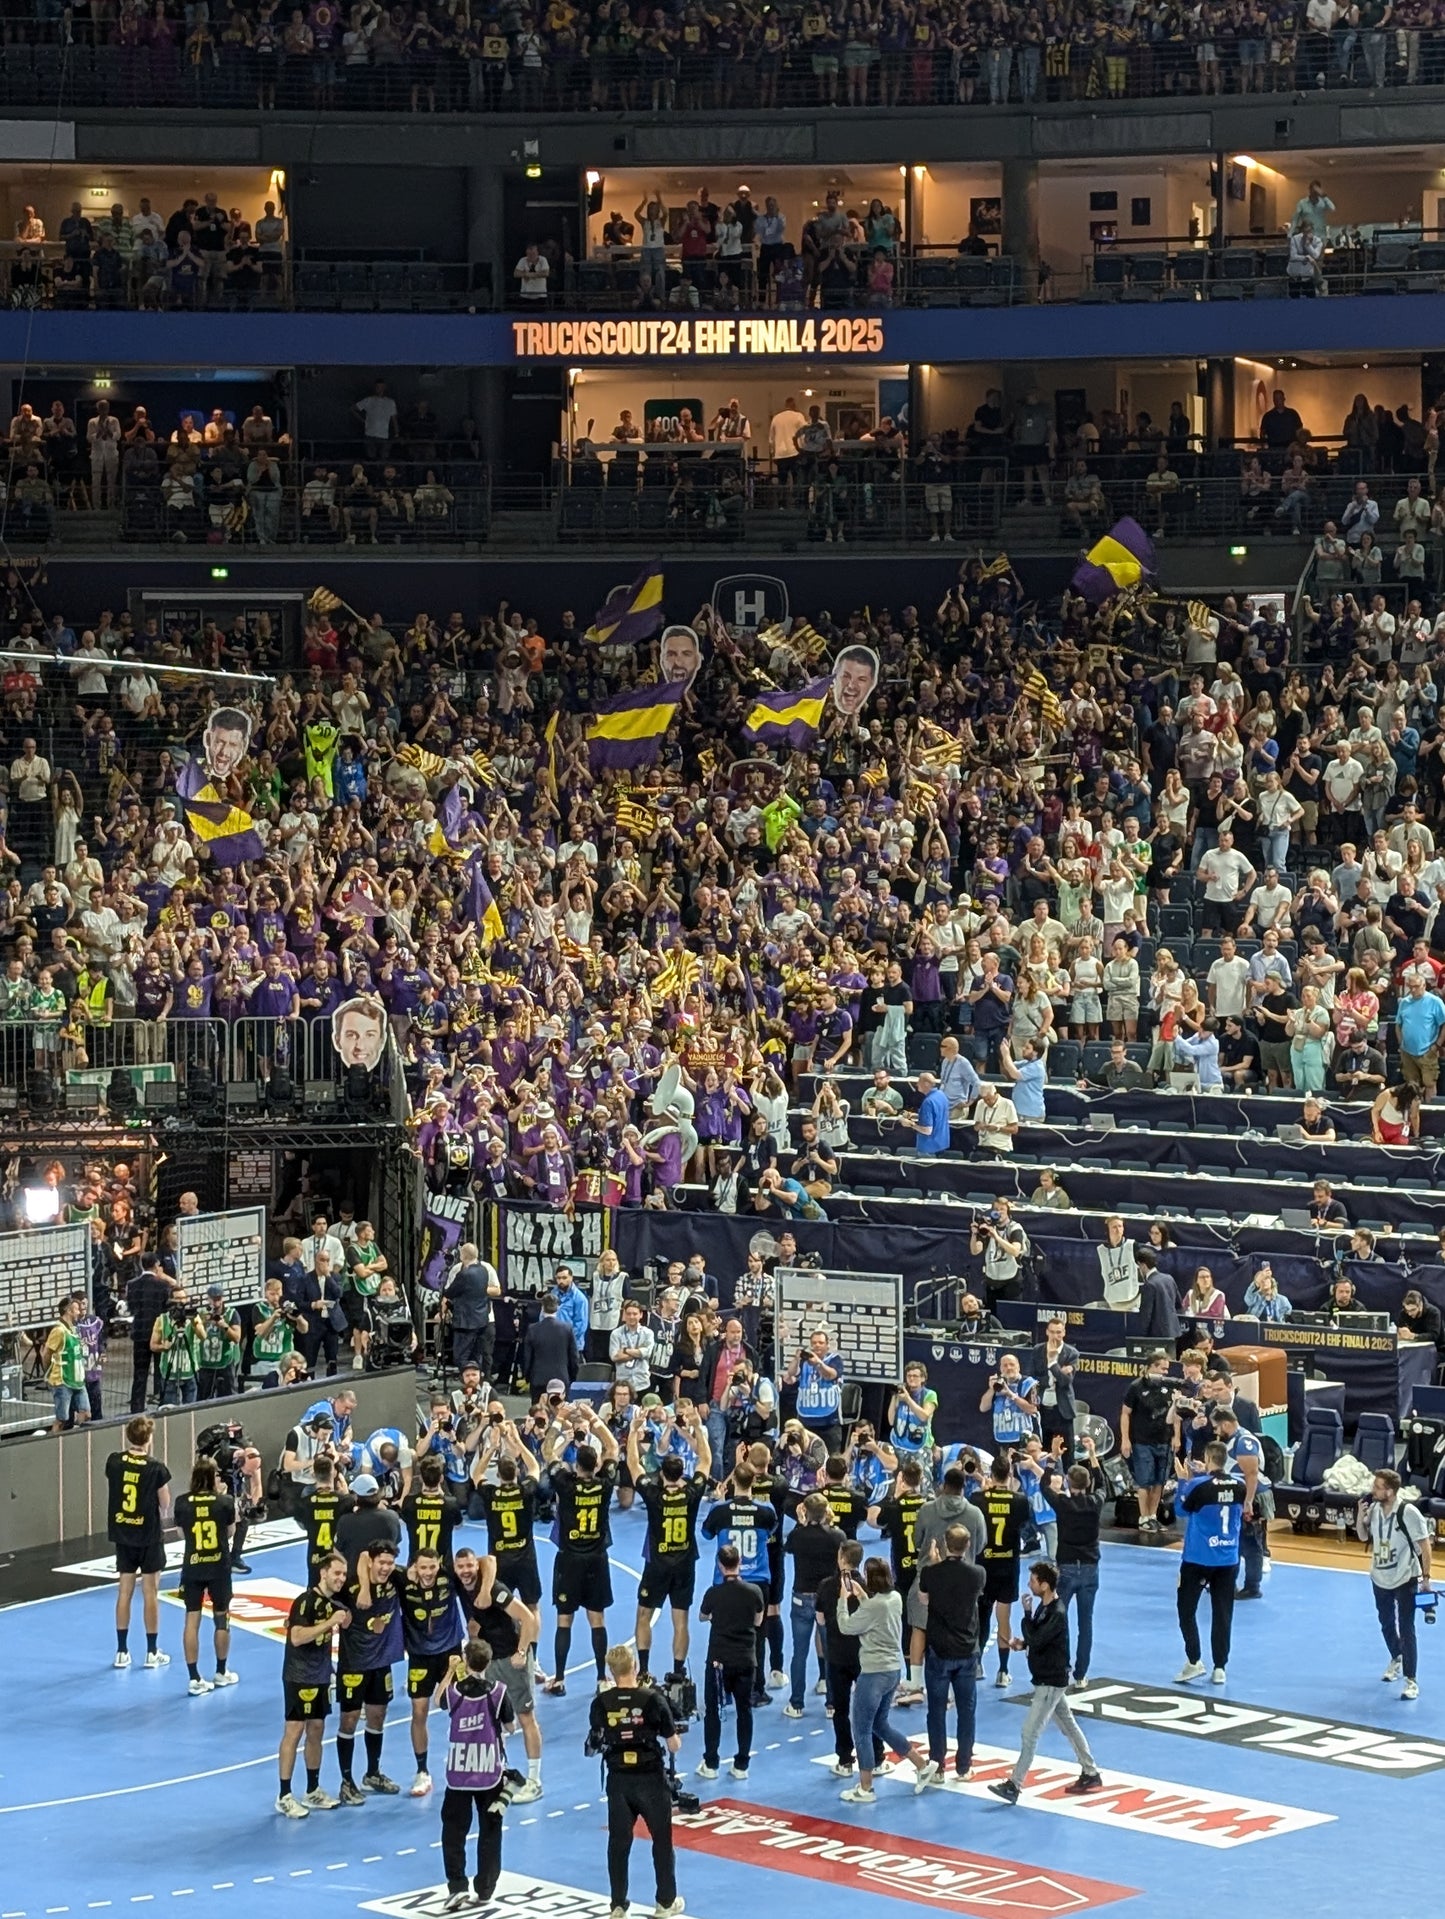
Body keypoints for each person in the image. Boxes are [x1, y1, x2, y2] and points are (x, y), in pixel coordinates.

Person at [986, 1561, 1102, 1803]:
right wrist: (1024, 1643)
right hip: (1048, 1679)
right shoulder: (1046, 1607)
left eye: (1033, 1581)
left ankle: (1014, 1785)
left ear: (1045, 1585)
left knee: (1029, 1733)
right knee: (1069, 1726)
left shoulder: (1056, 1613)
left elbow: (1037, 1638)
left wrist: (1026, 1619)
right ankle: (1090, 1772)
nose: (1029, 1585)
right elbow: (1037, 1638)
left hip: (1050, 1682)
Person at [587, 1644, 685, 1919]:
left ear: (611, 1672)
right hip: (650, 1779)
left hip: (619, 1780)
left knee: (618, 1843)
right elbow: (673, 1744)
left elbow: (593, 1742)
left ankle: (618, 1904)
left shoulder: (600, 1703)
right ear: (636, 1668)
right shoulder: (652, 1699)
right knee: (662, 1841)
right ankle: (665, 1903)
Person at [456, 1550, 545, 1804]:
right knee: (491, 1718)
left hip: (510, 1658)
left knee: (526, 1717)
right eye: (460, 1566)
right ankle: (497, 1772)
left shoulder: (494, 1589)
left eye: (470, 1565)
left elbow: (528, 1619)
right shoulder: (462, 1583)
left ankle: (535, 1781)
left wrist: (521, 1651)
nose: (465, 1571)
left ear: (477, 1566)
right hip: (490, 1660)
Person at [630, 1405, 712, 1679]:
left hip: (657, 1564)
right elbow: (705, 1461)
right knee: (681, 1620)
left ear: (663, 1474)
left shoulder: (653, 1494)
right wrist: (698, 1427)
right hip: (685, 1563)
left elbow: (633, 1464)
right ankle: (678, 1671)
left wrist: (633, 1432)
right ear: (681, 1473)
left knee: (644, 1615)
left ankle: (643, 1670)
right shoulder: (691, 1492)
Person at [436, 1639, 517, 1912]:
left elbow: (439, 1700)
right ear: (488, 1662)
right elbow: (511, 1727)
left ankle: (457, 1885)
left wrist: (450, 1671)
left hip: (458, 1773)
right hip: (489, 1773)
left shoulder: (455, 1693)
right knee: (490, 1830)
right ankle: (485, 1887)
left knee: (453, 1831)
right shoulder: (497, 1692)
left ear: (465, 1661)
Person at [543, 1408, 620, 1694]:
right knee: (597, 1618)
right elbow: (613, 1445)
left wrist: (561, 1419)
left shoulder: (565, 1484)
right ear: (597, 1463)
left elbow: (547, 1449)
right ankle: (602, 1679)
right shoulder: (604, 1485)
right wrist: (594, 1418)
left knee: (565, 1618)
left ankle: (560, 1678)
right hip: (597, 1559)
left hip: (569, 1559)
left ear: (576, 1465)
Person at [835, 1556, 916, 1802]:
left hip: (873, 1673)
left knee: (861, 1729)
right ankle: (921, 1765)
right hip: (893, 1671)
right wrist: (861, 1597)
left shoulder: (874, 1606)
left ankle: (866, 1788)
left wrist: (842, 1599)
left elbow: (846, 1626)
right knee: (880, 1725)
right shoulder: (894, 1598)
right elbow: (878, 1616)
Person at [276, 1549, 350, 1818]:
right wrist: (330, 1622)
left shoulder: (334, 1602)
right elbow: (296, 1637)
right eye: (337, 1573)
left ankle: (312, 1789)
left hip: (320, 1675)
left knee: (317, 1729)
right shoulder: (305, 1601)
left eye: (344, 1574)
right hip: (298, 1675)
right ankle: (284, 1795)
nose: (341, 1578)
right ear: (323, 1574)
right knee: (294, 1732)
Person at [913, 1522, 986, 1791]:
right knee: (967, 1711)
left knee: (936, 1711)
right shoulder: (977, 1573)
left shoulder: (931, 1573)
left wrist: (934, 1565)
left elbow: (923, 1599)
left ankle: (938, 1765)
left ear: (944, 1544)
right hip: (967, 1650)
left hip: (940, 1651)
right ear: (967, 1545)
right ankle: (964, 1766)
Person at [334, 1542, 405, 1801]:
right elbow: (362, 1553)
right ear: (372, 1563)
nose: (385, 1568)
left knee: (377, 1717)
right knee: (349, 1721)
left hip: (381, 1663)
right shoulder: (350, 1586)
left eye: (389, 1563)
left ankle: (372, 1773)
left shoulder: (395, 1580)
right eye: (381, 1563)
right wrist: (364, 1587)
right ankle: (346, 1781)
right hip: (353, 1664)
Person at [1358, 1467, 1433, 1701]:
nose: (1373, 1491)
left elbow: (1425, 1545)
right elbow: (1362, 1536)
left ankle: (1411, 1680)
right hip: (1380, 1577)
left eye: (1377, 1487)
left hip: (1405, 1577)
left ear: (1389, 1491)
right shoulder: (1374, 1510)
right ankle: (1396, 1657)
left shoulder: (1408, 1512)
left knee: (1407, 1627)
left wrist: (1426, 1578)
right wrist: (1360, 1516)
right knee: (1386, 1623)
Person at [106, 1415, 172, 1670]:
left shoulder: (113, 1461)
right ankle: (152, 1652)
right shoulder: (156, 1467)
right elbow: (165, 1503)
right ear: (149, 1439)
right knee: (150, 1593)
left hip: (123, 1533)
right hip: (148, 1535)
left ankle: (122, 1651)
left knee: (124, 1592)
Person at [1175, 1440, 1243, 1684]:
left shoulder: (1197, 1485)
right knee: (1223, 1613)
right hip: (1228, 1558)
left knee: (1186, 1610)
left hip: (1198, 1558)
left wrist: (1183, 1480)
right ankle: (1220, 1668)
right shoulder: (1240, 1484)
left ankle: (1194, 1661)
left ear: (1208, 1458)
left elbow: (1181, 1511)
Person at [697, 1541, 766, 1781]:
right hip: (746, 1659)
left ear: (719, 1565)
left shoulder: (714, 1593)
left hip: (719, 1660)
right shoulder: (754, 1591)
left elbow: (702, 1616)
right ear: (739, 1563)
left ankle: (711, 1762)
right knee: (744, 1710)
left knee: (713, 1711)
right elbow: (758, 1622)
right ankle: (742, 1764)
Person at [399, 1546, 463, 1797]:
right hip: (419, 1657)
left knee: (460, 1709)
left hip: (451, 1654)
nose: (428, 1573)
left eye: (432, 1567)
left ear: (439, 1565)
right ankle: (422, 1771)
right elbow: (367, 1562)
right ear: (414, 1566)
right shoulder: (403, 1580)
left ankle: (465, 1760)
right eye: (423, 1567)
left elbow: (486, 1561)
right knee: (419, 1711)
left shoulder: (449, 1577)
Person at [174, 1455, 237, 1696]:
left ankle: (194, 1678)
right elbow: (231, 1532)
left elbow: (181, 1535)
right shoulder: (224, 1502)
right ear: (213, 1478)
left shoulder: (182, 1502)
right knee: (221, 1619)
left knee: (192, 1620)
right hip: (219, 1567)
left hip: (193, 1567)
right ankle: (221, 1672)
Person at [971, 1457, 1031, 1688]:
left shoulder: (977, 1499)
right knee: (1003, 1617)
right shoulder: (1019, 1501)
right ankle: (1003, 1671)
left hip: (984, 1564)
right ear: (1010, 1474)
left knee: (982, 1615)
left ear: (991, 1473)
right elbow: (1024, 1523)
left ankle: (976, 1664)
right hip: (1008, 1565)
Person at [1120, 1350, 1175, 1534]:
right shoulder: (1136, 1387)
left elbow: (1176, 1414)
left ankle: (1152, 1517)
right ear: (1150, 1367)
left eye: (1167, 1369)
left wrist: (1176, 1437)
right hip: (1142, 1441)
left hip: (1164, 1441)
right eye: (1162, 1368)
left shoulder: (1169, 1386)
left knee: (1159, 1482)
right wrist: (1126, 1439)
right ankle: (1143, 1518)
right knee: (1144, 1482)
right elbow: (1125, 1414)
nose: (1165, 1372)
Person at [443, 1242, 501, 1377]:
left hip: (467, 1321)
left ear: (462, 1256)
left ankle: (471, 1380)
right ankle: (476, 1381)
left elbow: (450, 1292)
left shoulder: (465, 1274)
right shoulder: (482, 1271)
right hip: (481, 1319)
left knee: (462, 1356)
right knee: (476, 1355)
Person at [786, 1326, 845, 1453]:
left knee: (831, 1459)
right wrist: (796, 1359)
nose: (817, 1345)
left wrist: (818, 1363)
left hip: (829, 1422)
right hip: (806, 1421)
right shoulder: (804, 1361)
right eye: (814, 1343)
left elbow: (830, 1375)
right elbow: (791, 1373)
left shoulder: (835, 1359)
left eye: (821, 1343)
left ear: (827, 1345)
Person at [1029, 1317, 1079, 1456]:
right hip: (1042, 1409)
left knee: (1066, 1452)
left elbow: (1065, 1382)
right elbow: (1032, 1377)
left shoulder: (1071, 1353)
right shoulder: (1038, 1350)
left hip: (1062, 1411)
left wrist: (1052, 1364)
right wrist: (1054, 1377)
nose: (1055, 1336)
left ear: (1064, 1333)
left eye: (1058, 1332)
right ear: (1046, 1332)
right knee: (1043, 1451)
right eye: (1052, 1332)